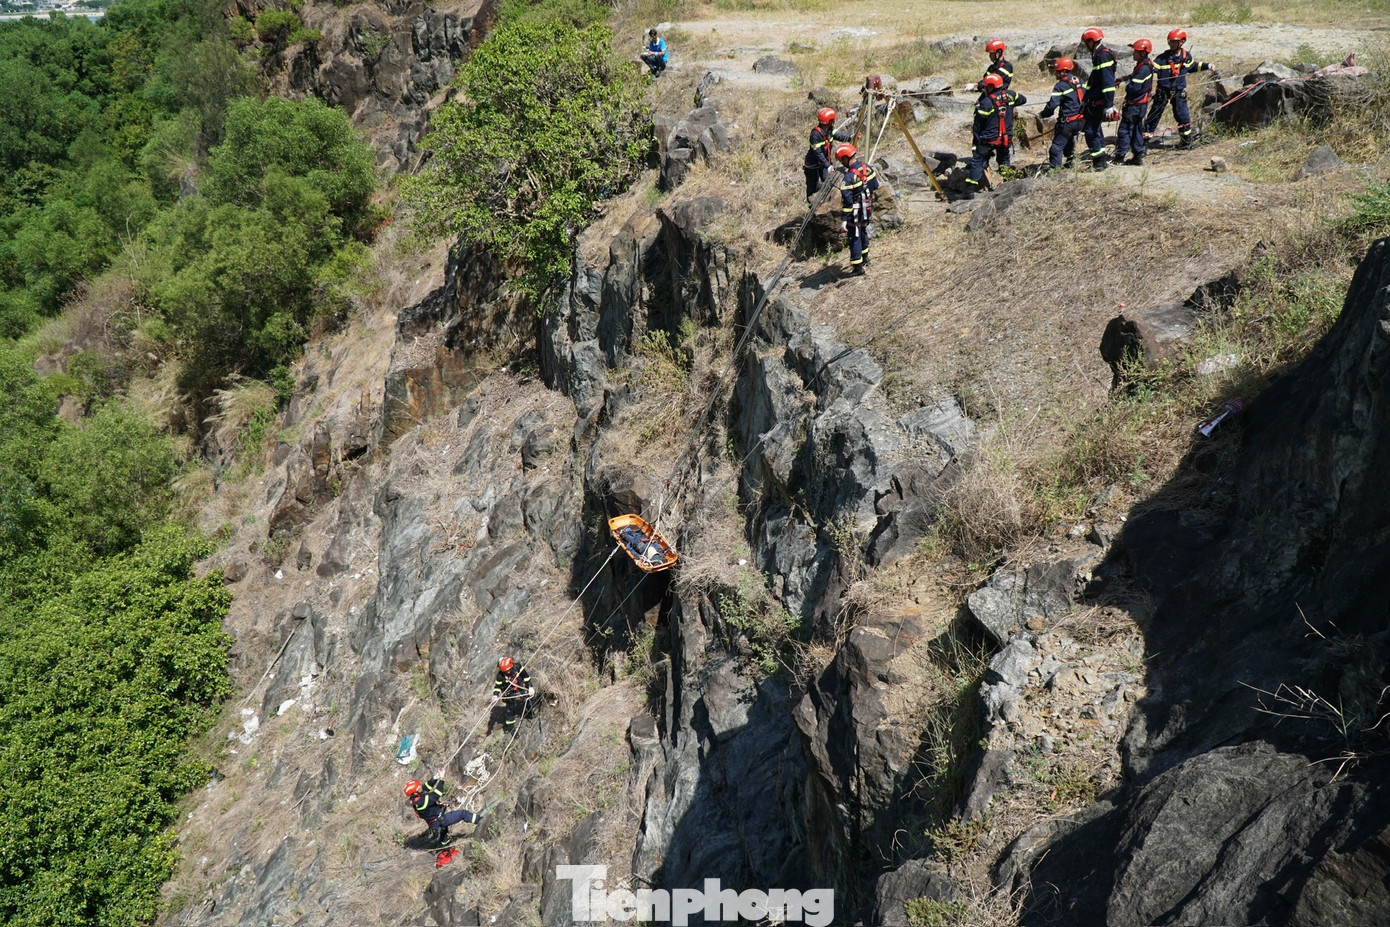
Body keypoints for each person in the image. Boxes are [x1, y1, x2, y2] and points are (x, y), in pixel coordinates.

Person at [1144, 29, 1215, 148]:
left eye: (1173, 42)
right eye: (1169, 42)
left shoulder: (1186, 56)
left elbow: (1192, 66)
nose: (1171, 44)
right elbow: (1151, 69)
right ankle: (1143, 142)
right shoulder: (1162, 58)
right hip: (1163, 92)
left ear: (1181, 42)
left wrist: (1207, 66)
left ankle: (1186, 141)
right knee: (1154, 116)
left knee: (1183, 116)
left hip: (1178, 92)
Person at [962, 73, 1026, 198]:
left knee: (978, 161)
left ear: (991, 87)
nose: (985, 89)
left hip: (989, 139)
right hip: (1005, 138)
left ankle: (969, 190)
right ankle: (1009, 185)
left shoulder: (986, 102)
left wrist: (976, 141)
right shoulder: (1011, 95)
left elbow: (978, 125)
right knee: (1003, 160)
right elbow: (1023, 99)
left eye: (986, 87)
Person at [405, 774, 484, 862]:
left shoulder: (415, 799)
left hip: (435, 823)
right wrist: (442, 779)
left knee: (444, 837)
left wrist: (434, 778)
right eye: (418, 787)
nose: (420, 787)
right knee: (463, 814)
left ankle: (443, 847)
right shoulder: (422, 801)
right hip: (439, 821)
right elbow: (437, 793)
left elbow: (425, 788)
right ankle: (482, 822)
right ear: (415, 792)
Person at [835, 144, 878, 276]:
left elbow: (848, 202)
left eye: (842, 160)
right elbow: (875, 186)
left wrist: (843, 220)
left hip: (855, 212)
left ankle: (857, 267)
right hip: (867, 208)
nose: (842, 163)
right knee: (863, 230)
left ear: (845, 158)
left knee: (854, 236)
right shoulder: (868, 168)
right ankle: (865, 258)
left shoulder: (848, 178)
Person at [1080, 27, 1118, 171]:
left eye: (1086, 43)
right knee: (1095, 130)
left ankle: (1098, 163)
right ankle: (1101, 161)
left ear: (1091, 41)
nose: (1085, 46)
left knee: (1091, 131)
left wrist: (1109, 104)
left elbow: (1107, 83)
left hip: (1098, 102)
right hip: (1093, 101)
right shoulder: (1100, 55)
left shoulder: (1102, 56)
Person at [1113, 40, 1156, 166]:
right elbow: (1135, 77)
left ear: (1143, 53)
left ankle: (1120, 156)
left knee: (1124, 130)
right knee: (1136, 130)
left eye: (1136, 51)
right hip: (1140, 105)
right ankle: (1137, 156)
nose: (1133, 54)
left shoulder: (1143, 68)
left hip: (1135, 105)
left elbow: (1134, 88)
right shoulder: (1145, 65)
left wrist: (1126, 84)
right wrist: (1124, 78)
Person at [1039, 57, 1085, 170]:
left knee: (1056, 148)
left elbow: (1052, 105)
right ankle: (1070, 162)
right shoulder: (1080, 80)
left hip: (1068, 122)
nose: (1055, 74)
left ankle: (1055, 171)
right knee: (1068, 140)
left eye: (1057, 71)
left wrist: (1043, 114)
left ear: (1063, 71)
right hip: (1081, 121)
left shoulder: (1060, 86)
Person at [492, 657, 535, 732]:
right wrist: (495, 695)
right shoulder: (500, 676)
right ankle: (511, 729)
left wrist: (530, 686)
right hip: (509, 693)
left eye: (509, 670)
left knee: (530, 700)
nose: (508, 672)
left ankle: (529, 712)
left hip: (521, 687)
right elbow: (497, 687)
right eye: (506, 671)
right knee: (510, 709)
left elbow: (526, 677)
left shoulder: (517, 667)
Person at [804, 108, 837, 203]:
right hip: (812, 165)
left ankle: (826, 203)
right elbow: (818, 153)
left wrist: (849, 137)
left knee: (828, 182)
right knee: (812, 186)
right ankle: (811, 208)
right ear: (829, 121)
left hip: (823, 164)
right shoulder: (815, 134)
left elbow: (838, 135)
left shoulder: (829, 130)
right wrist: (828, 165)